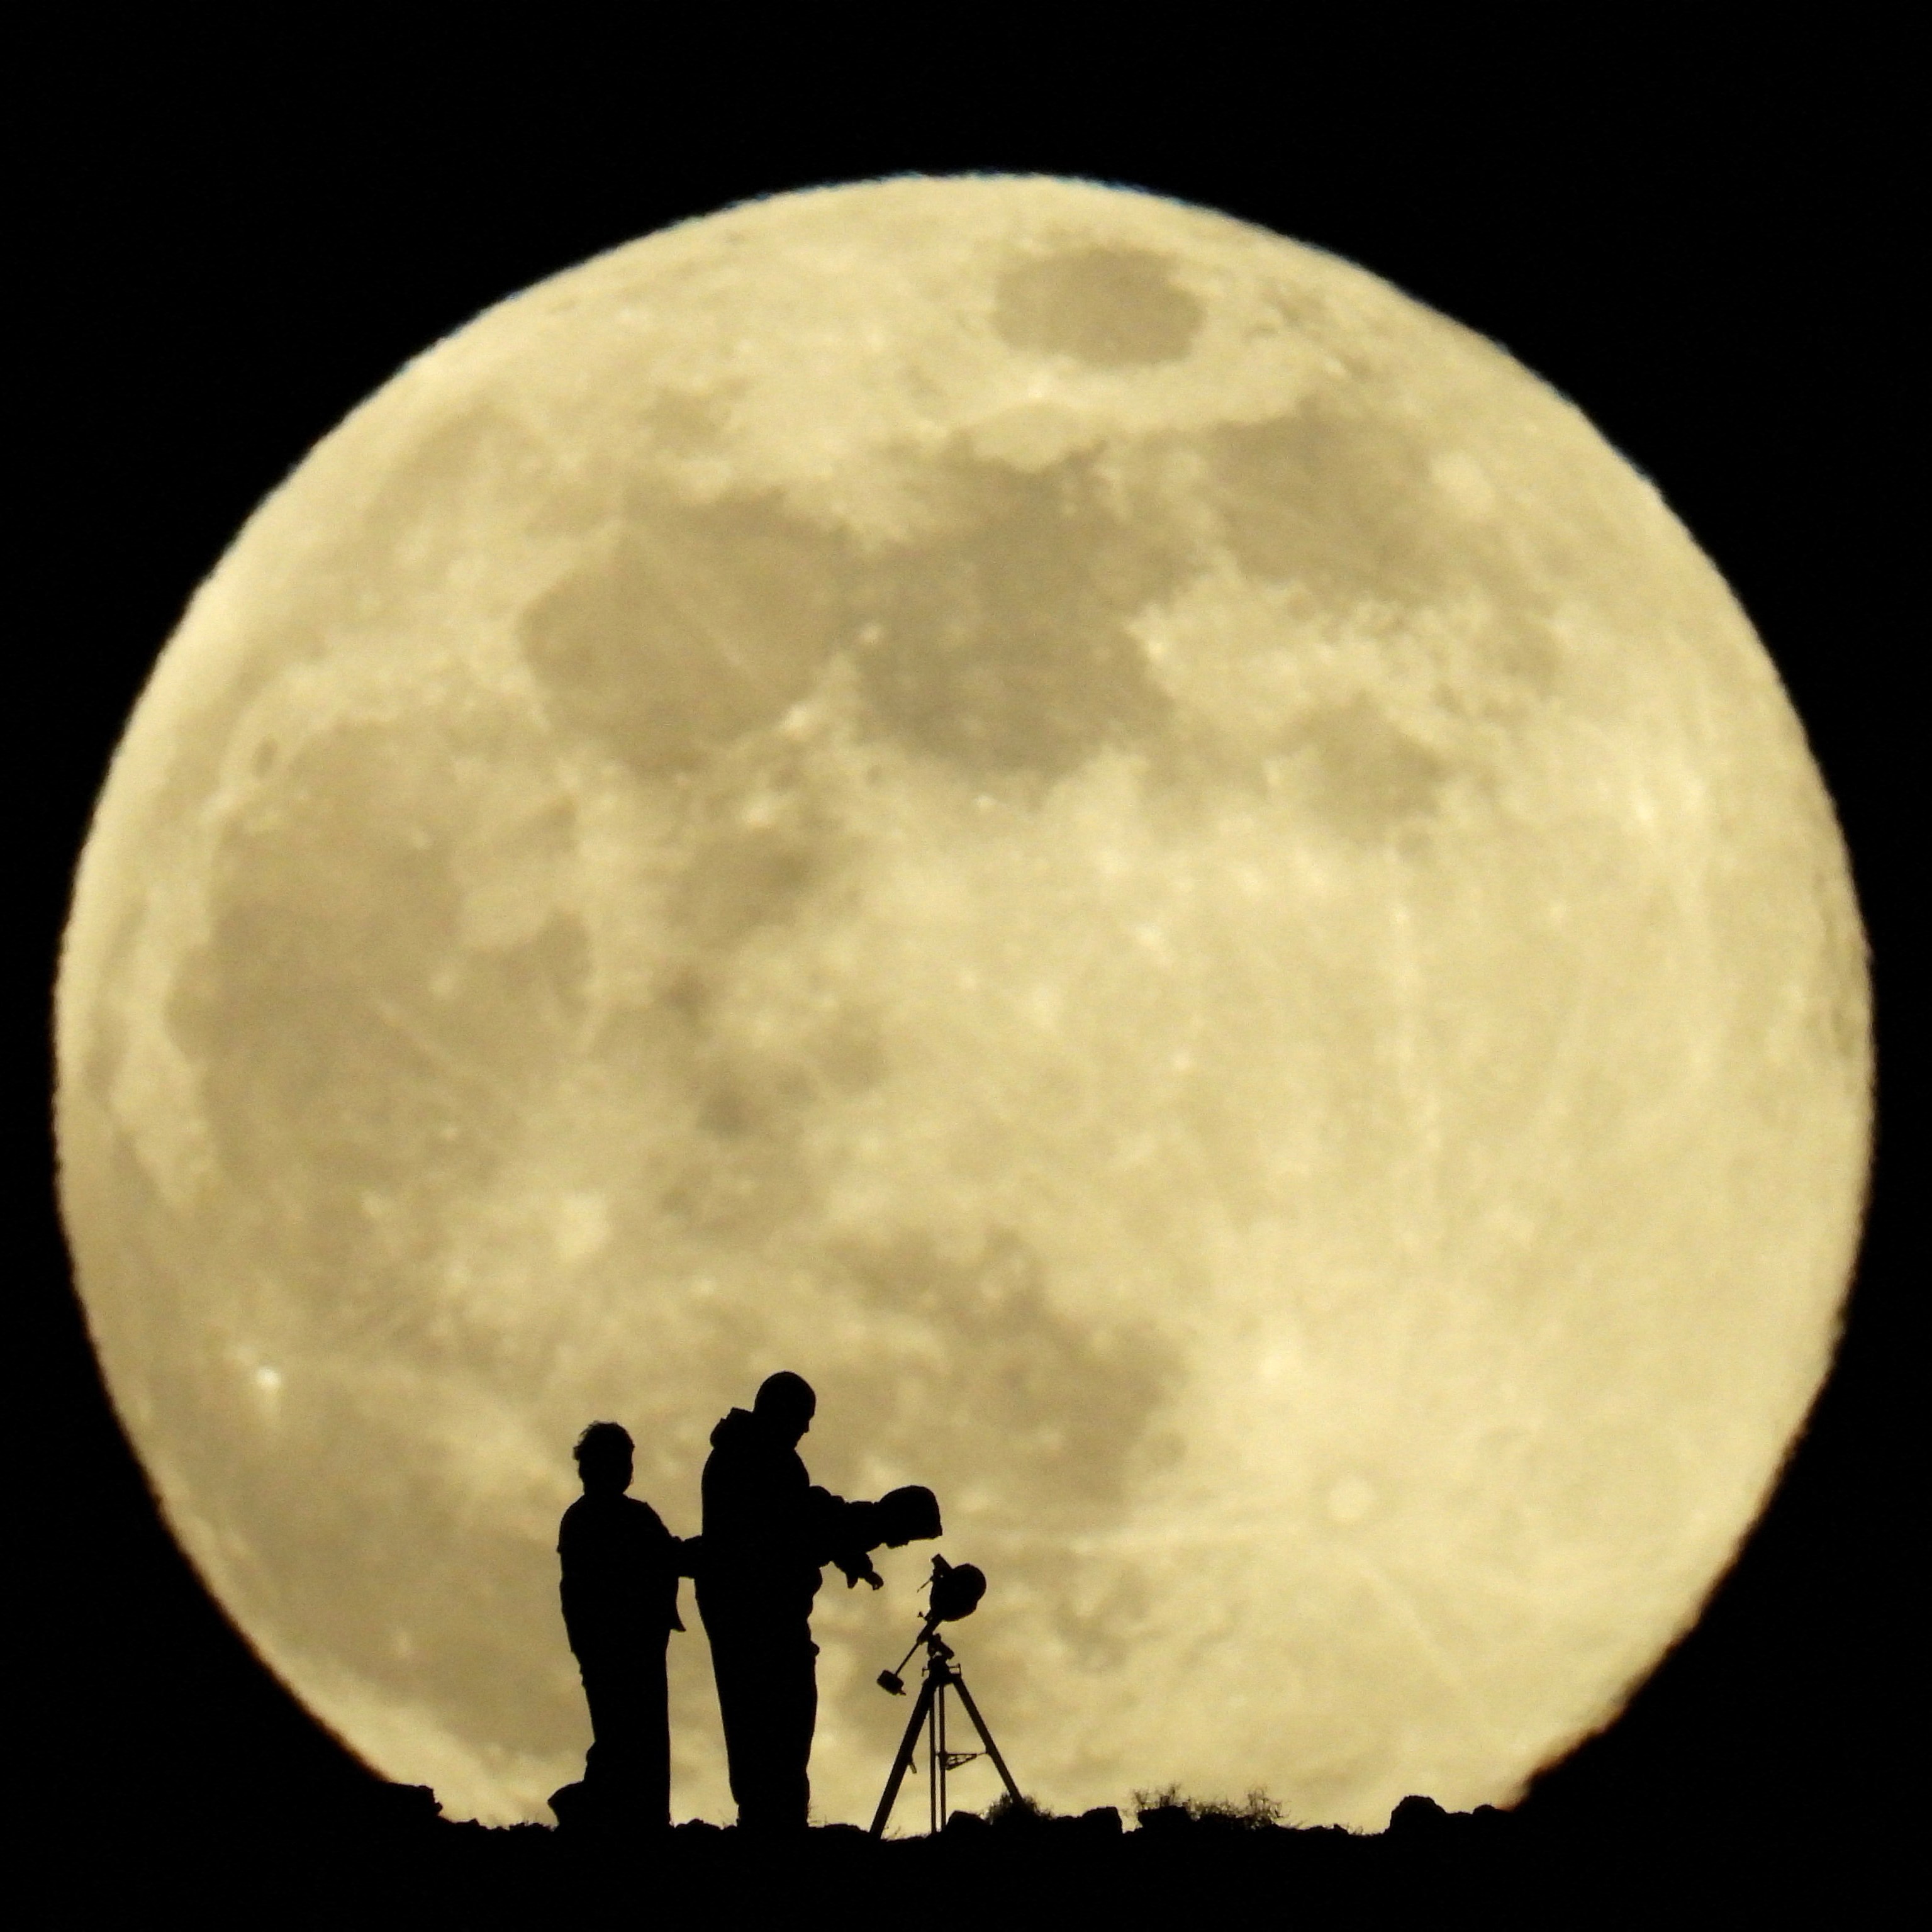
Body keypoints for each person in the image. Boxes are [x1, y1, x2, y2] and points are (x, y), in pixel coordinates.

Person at [696, 1372, 941, 1832]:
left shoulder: (758, 1456)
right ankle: (772, 1823)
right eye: (802, 1418)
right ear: (778, 1411)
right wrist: (874, 1524)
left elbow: (799, 1520)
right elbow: (790, 1526)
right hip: (755, 1612)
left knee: (775, 1720)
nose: (806, 1429)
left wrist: (849, 1550)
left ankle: (775, 1817)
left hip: (758, 1608)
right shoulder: (752, 1459)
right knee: (772, 1721)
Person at [550, 1421, 698, 1833]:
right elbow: (670, 1558)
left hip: (628, 1645)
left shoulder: (603, 1518)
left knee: (628, 1737)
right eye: (620, 1461)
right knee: (627, 1737)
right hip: (619, 1648)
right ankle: (602, 1816)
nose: (627, 1470)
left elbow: (671, 1556)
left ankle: (626, 1818)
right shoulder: (608, 1519)